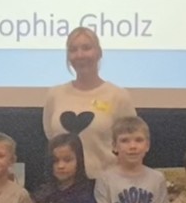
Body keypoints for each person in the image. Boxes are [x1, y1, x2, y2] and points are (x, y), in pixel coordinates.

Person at [42, 27, 137, 177]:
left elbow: (131, 144)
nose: (80, 55)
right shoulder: (54, 94)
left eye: (86, 48)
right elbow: (51, 137)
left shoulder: (118, 96)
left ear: (99, 53)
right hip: (63, 187)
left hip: (105, 186)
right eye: (73, 50)